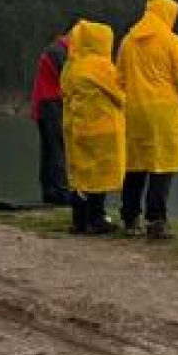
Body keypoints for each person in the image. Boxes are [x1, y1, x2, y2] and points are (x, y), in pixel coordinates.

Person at [117, 0, 178, 240]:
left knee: (135, 165)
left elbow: (119, 79)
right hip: (164, 111)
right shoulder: (172, 41)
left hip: (134, 110)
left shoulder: (127, 42)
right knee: (162, 166)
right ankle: (156, 222)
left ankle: (130, 218)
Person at [60, 19, 126, 235]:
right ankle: (97, 219)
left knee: (80, 177)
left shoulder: (72, 67)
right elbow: (120, 94)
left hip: (76, 127)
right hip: (101, 128)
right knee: (99, 177)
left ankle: (79, 220)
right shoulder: (100, 66)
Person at [31, 31, 72, 206]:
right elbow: (70, 79)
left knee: (49, 150)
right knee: (57, 149)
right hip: (51, 103)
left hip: (44, 103)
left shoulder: (54, 49)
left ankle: (50, 192)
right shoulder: (60, 52)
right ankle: (61, 192)